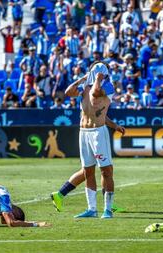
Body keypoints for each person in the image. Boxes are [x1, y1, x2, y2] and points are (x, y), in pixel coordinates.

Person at [64, 62, 115, 219]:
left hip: (98, 133)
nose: (98, 72)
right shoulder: (85, 86)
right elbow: (68, 92)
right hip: (84, 132)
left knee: (106, 171)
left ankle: (108, 209)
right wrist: (82, 79)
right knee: (88, 171)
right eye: (95, 70)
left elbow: (96, 94)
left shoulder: (108, 86)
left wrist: (98, 80)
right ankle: (91, 209)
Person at [51, 117, 125, 212]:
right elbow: (98, 114)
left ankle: (60, 194)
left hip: (88, 131)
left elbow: (98, 114)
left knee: (89, 171)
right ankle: (108, 204)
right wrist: (115, 126)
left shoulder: (89, 104)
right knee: (105, 169)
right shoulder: (93, 103)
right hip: (94, 132)